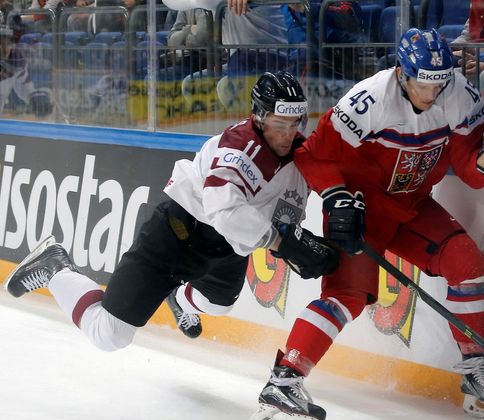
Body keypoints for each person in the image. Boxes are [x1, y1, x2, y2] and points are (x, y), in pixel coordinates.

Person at [249, 28, 484, 420]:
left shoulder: (460, 95)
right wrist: (338, 198)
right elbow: (313, 155)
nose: (431, 95)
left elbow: (468, 170)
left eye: (439, 83)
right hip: (360, 207)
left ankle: (474, 367)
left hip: (410, 205)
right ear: (401, 72)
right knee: (347, 296)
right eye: (422, 84)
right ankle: (284, 380)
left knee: (466, 262)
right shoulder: (368, 101)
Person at [4, 71, 339, 349]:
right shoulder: (239, 146)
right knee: (109, 335)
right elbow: (226, 212)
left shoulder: (298, 156)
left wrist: (298, 241)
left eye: (295, 123)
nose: (289, 133)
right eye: (281, 125)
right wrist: (282, 241)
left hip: (225, 246)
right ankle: (56, 267)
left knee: (219, 303)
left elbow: (280, 219)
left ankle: (179, 300)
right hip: (178, 233)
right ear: (259, 116)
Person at [450, 0, 484, 82]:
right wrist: (450, 47)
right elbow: (466, 35)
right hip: (474, 50)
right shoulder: (476, 1)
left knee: (452, 63)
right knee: (443, 58)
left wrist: (471, 50)